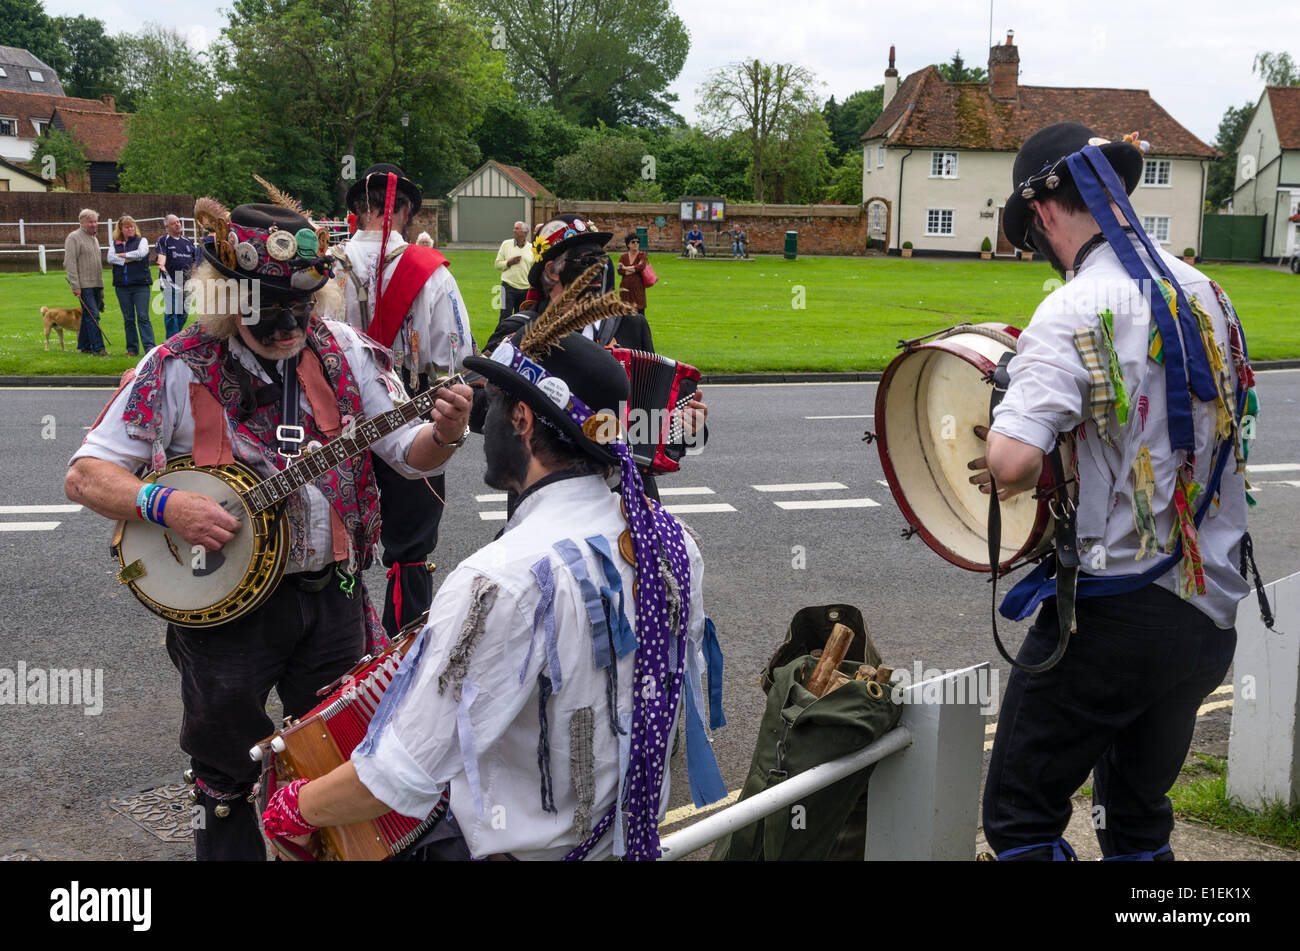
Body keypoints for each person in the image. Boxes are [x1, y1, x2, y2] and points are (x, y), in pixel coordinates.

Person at [64, 201, 474, 861]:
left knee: (343, 758)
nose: (290, 326)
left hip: (332, 594)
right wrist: (164, 504)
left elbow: (407, 452)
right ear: (227, 301)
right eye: (270, 310)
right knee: (225, 772)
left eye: (303, 308)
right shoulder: (174, 366)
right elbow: (85, 475)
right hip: (223, 619)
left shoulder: (345, 351)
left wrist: (447, 434)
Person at [261, 315, 727, 860]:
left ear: (522, 418)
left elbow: (400, 774)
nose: (488, 429)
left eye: (495, 410)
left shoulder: (501, 578)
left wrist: (294, 807)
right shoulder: (671, 541)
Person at [970, 123, 1259, 861]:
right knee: (1133, 812)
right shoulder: (1210, 292)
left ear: (1040, 214)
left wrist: (1012, 404)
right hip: (1210, 614)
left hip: (1118, 613)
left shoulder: (1071, 307)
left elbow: (1009, 463)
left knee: (1017, 813)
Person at [331, 163, 476, 639]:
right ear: (406, 211)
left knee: (325, 547)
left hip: (330, 428)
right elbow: (454, 363)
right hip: (411, 423)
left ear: (356, 210)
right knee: (410, 550)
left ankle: (334, 660)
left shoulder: (325, 265)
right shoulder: (431, 274)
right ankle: (402, 654)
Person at [106, 215, 155, 357]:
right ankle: (132, 349)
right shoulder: (114, 243)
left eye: (132, 226)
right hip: (122, 287)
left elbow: (141, 253)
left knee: (143, 316)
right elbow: (110, 258)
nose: (131, 229)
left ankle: (149, 348)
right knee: (128, 318)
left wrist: (121, 255)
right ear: (120, 228)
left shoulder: (142, 241)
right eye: (127, 226)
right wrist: (127, 260)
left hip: (141, 285)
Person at [63, 208, 107, 355]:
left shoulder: (94, 238)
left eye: (95, 221)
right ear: (82, 222)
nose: (94, 224)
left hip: (96, 284)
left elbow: (97, 265)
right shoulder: (73, 237)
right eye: (90, 222)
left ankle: (84, 346)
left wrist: (101, 288)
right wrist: (75, 285)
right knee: (94, 315)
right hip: (84, 285)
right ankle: (98, 348)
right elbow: (69, 263)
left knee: (89, 315)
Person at [155, 214, 198, 339]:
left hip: (186, 281)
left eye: (178, 222)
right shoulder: (164, 240)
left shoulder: (187, 241)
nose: (177, 224)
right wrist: (161, 264)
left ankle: (176, 338)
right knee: (172, 311)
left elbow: (194, 260)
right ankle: (171, 341)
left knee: (183, 313)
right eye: (174, 223)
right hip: (169, 280)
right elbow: (161, 255)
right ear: (167, 227)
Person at [494, 220, 534, 320]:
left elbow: (534, 270)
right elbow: (497, 264)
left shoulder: (532, 248)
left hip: (525, 289)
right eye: (514, 228)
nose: (514, 230)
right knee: (504, 317)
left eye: (517, 228)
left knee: (520, 319)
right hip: (507, 286)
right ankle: (500, 336)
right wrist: (508, 262)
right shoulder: (506, 244)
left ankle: (516, 336)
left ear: (524, 233)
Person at [617, 232, 649, 314]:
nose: (636, 244)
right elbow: (620, 270)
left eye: (637, 242)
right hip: (625, 290)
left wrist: (625, 268)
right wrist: (634, 269)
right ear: (628, 244)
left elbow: (640, 267)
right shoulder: (623, 257)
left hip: (638, 290)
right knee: (625, 313)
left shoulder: (642, 255)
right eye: (633, 242)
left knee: (639, 313)